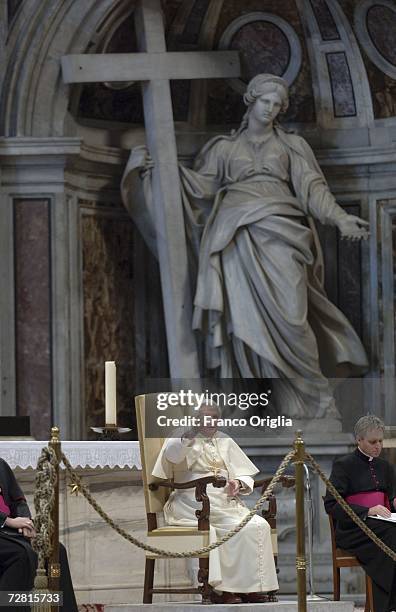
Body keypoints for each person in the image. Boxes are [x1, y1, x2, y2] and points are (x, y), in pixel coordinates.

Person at [122, 73, 369, 419]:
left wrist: (340, 219)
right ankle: (261, 403)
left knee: (291, 318)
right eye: (264, 101)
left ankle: (314, 399)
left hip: (282, 235)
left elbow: (313, 189)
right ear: (251, 101)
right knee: (241, 324)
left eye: (276, 104)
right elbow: (198, 190)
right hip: (233, 239)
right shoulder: (223, 149)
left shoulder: (291, 146)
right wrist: (156, 172)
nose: (269, 109)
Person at [152, 402, 279, 604]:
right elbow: (172, 455)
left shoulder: (224, 439)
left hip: (224, 500)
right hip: (192, 499)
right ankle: (225, 590)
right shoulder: (184, 434)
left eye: (214, 416)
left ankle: (250, 588)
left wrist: (238, 483)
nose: (210, 421)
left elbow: (244, 472)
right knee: (230, 527)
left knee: (258, 525)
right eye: (205, 416)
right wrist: (191, 433)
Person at [324, 415, 396, 612]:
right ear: (359, 440)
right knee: (391, 535)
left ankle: (381, 604)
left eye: (380, 441)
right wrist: (368, 510)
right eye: (373, 442)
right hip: (353, 530)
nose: (378, 446)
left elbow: (391, 498)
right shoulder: (344, 465)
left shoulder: (385, 467)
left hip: (382, 525)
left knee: (389, 533)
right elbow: (331, 504)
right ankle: (384, 605)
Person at [0, 457, 78, 612]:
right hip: (5, 528)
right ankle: (11, 605)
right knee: (22, 554)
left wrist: (27, 522)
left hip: (12, 530)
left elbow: (18, 500)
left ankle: (58, 606)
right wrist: (7, 521)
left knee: (56, 550)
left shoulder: (0, 464)